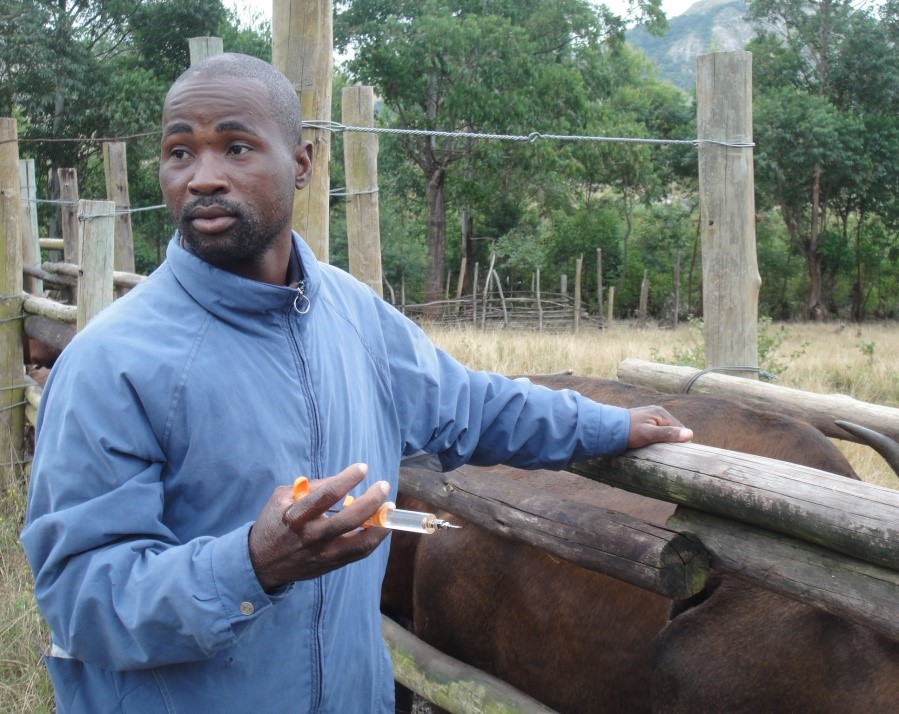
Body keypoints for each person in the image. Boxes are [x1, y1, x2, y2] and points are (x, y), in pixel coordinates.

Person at [21, 53, 692, 713]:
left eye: (236, 147)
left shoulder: (350, 314)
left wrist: (609, 423)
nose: (203, 178)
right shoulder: (111, 365)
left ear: (303, 164)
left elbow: (469, 405)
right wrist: (252, 564)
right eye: (179, 153)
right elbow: (83, 600)